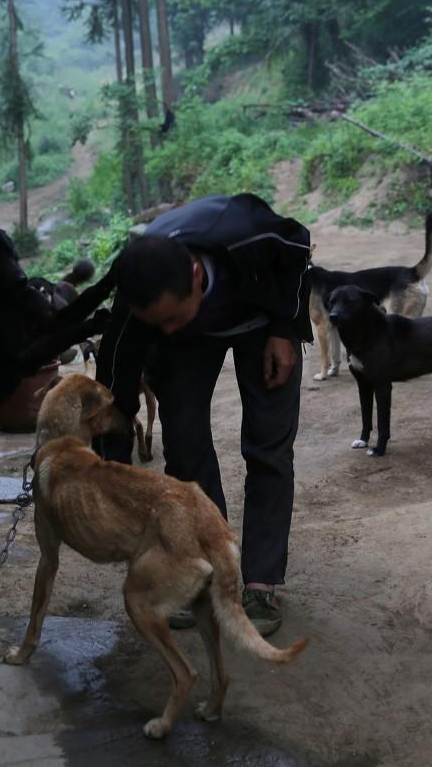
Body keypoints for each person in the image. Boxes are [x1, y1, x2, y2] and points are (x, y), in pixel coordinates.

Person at [95, 192, 312, 635]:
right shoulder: (141, 294)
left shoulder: (246, 235)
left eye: (172, 317)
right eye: (157, 324)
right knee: (185, 446)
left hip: (261, 319)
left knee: (268, 446)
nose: (165, 329)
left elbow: (296, 248)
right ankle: (212, 567)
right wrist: (112, 463)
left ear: (196, 275)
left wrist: (285, 329)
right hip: (195, 341)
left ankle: (259, 583)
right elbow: (117, 381)